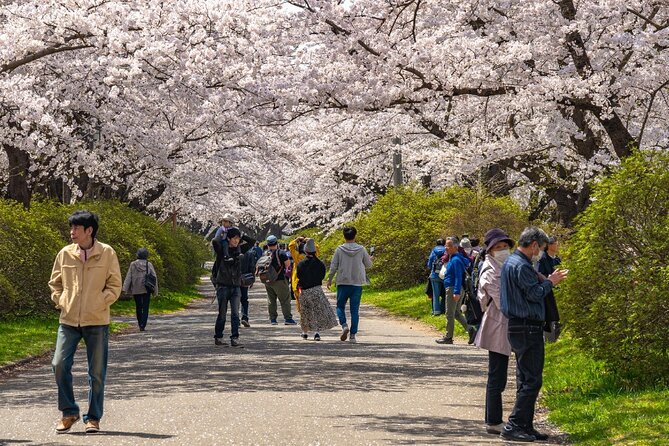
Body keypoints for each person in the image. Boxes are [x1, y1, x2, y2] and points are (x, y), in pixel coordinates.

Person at [48, 210, 122, 434]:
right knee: (59, 364)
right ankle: (69, 412)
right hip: (68, 320)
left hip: (97, 320)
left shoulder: (107, 253)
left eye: (76, 229)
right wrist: (61, 300)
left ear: (89, 231)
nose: (72, 232)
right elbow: (55, 283)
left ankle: (93, 417)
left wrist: (100, 301)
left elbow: (115, 286)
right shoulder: (65, 253)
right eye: (71, 228)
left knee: (97, 372)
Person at [499, 227, 568, 442]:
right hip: (527, 326)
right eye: (541, 248)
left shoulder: (512, 262)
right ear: (535, 245)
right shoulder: (520, 265)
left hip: (519, 326)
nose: (541, 253)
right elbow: (534, 294)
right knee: (532, 380)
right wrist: (550, 282)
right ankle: (514, 425)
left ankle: (526, 426)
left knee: (525, 378)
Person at [473, 229, 515, 435]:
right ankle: (493, 420)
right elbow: (501, 301)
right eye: (498, 248)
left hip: (505, 324)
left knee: (500, 374)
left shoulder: (505, 266)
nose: (503, 250)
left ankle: (495, 419)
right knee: (496, 374)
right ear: (489, 251)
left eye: (505, 247)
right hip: (497, 324)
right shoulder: (490, 271)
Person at [326, 226, 373, 343]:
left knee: (340, 306)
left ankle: (344, 325)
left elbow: (333, 266)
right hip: (357, 283)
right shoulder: (361, 249)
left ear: (344, 236)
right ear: (355, 235)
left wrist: (329, 279)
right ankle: (352, 335)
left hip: (342, 282)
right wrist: (371, 259)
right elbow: (369, 265)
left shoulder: (339, 249)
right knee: (354, 310)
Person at [212, 227, 255, 346]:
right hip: (223, 286)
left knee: (235, 313)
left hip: (236, 286)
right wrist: (223, 233)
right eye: (234, 239)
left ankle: (234, 337)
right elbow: (215, 241)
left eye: (238, 239)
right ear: (229, 239)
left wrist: (242, 235)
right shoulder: (221, 251)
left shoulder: (240, 250)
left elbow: (252, 241)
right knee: (222, 313)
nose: (236, 241)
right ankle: (218, 336)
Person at [436, 237, 477, 345]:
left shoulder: (456, 260)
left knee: (449, 313)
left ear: (455, 247)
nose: (446, 248)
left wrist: (456, 292)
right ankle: (471, 330)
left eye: (448, 246)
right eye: (446, 245)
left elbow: (459, 277)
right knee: (456, 313)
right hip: (453, 288)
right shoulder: (454, 257)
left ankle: (448, 337)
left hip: (453, 288)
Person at [296, 239, 338, 340]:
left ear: (305, 251)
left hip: (305, 290)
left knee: (305, 312)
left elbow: (299, 275)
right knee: (317, 311)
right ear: (315, 251)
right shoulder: (320, 264)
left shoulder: (301, 264)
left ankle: (305, 332)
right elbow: (322, 276)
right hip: (317, 290)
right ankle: (317, 333)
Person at [260, 235, 296, 325]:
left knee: (271, 300)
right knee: (285, 299)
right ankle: (288, 319)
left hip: (267, 280)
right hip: (279, 279)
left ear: (267, 244)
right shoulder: (281, 253)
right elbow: (288, 265)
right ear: (277, 243)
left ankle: (273, 319)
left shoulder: (265, 253)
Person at [122, 248, 158, 332]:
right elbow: (154, 277)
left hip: (136, 288)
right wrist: (155, 291)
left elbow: (128, 277)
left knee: (138, 307)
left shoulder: (133, 264)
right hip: (146, 288)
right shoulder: (149, 264)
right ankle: (143, 325)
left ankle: (139, 323)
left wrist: (125, 288)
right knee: (145, 307)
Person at [537, 236, 562, 340]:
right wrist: (551, 279)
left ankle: (556, 337)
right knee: (550, 314)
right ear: (550, 245)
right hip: (548, 290)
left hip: (560, 290)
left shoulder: (558, 259)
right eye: (555, 243)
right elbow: (540, 275)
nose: (557, 245)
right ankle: (549, 339)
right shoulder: (543, 259)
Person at [426, 238, 447, 315]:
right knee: (446, 293)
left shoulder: (433, 251)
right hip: (445, 274)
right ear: (444, 243)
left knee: (436, 294)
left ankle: (436, 311)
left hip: (434, 275)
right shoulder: (446, 250)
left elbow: (429, 264)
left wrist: (431, 269)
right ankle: (444, 309)